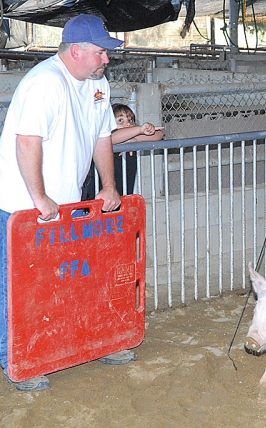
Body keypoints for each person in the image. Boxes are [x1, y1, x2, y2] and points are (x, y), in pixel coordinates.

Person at [0, 14, 134, 392]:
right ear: (76, 51)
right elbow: (27, 141)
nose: (106, 59)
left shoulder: (98, 84)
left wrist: (108, 186)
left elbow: (102, 136)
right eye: (100, 52)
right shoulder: (45, 83)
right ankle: (15, 361)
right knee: (15, 285)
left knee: (68, 279)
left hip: (68, 207)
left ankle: (78, 345)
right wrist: (39, 197)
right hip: (20, 206)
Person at [83, 103, 164, 199]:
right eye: (120, 120)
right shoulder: (104, 138)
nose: (128, 124)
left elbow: (159, 134)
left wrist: (134, 139)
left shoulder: (134, 138)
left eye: (130, 120)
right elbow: (111, 138)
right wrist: (139, 130)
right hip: (97, 197)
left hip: (121, 198)